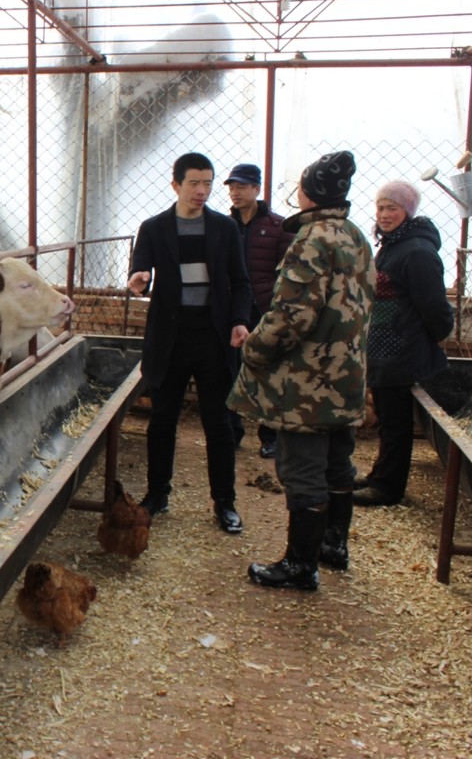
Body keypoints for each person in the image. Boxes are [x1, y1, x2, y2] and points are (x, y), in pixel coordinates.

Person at [229, 150, 374, 590]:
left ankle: (299, 565)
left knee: (303, 469)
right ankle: (333, 546)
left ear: (307, 192)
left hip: (309, 382)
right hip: (347, 374)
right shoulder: (355, 236)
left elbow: (293, 315)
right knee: (337, 464)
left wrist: (254, 348)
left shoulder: (312, 240)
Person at [127, 152, 252, 534]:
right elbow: (140, 266)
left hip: (213, 338)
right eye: (195, 183)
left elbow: (241, 282)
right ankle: (157, 494)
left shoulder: (224, 229)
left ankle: (225, 503)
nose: (203, 191)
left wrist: (240, 321)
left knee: (219, 424)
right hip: (170, 337)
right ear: (176, 184)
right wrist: (139, 278)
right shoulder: (154, 227)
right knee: (162, 421)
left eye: (208, 183)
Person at [353, 180, 454, 507]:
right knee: (387, 417)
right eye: (380, 207)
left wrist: (437, 335)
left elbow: (434, 307)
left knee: (396, 423)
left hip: (402, 349)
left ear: (407, 212)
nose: (383, 214)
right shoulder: (393, 245)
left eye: (392, 208)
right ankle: (379, 476)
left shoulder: (417, 252)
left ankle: (388, 488)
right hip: (385, 347)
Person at [224, 162, 295, 459]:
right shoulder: (223, 225)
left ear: (257, 189)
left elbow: (289, 271)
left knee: (268, 372)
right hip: (230, 310)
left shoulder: (279, 227)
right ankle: (232, 431)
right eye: (231, 187)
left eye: (241, 186)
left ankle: (271, 436)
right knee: (229, 370)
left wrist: (278, 307)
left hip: (265, 309)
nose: (235, 193)